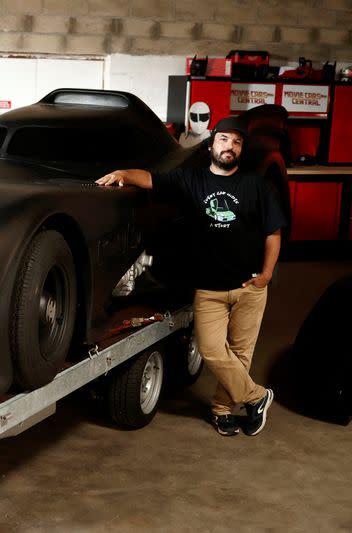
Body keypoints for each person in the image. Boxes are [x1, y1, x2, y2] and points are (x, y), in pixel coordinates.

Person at [96, 116, 287, 437]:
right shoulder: (192, 180)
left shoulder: (256, 186)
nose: (231, 147)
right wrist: (123, 174)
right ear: (212, 144)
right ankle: (257, 396)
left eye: (237, 142)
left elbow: (273, 233)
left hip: (249, 287)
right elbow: (151, 179)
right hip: (209, 288)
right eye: (225, 139)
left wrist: (266, 274)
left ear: (241, 150)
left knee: (240, 355)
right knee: (213, 350)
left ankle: (222, 410)